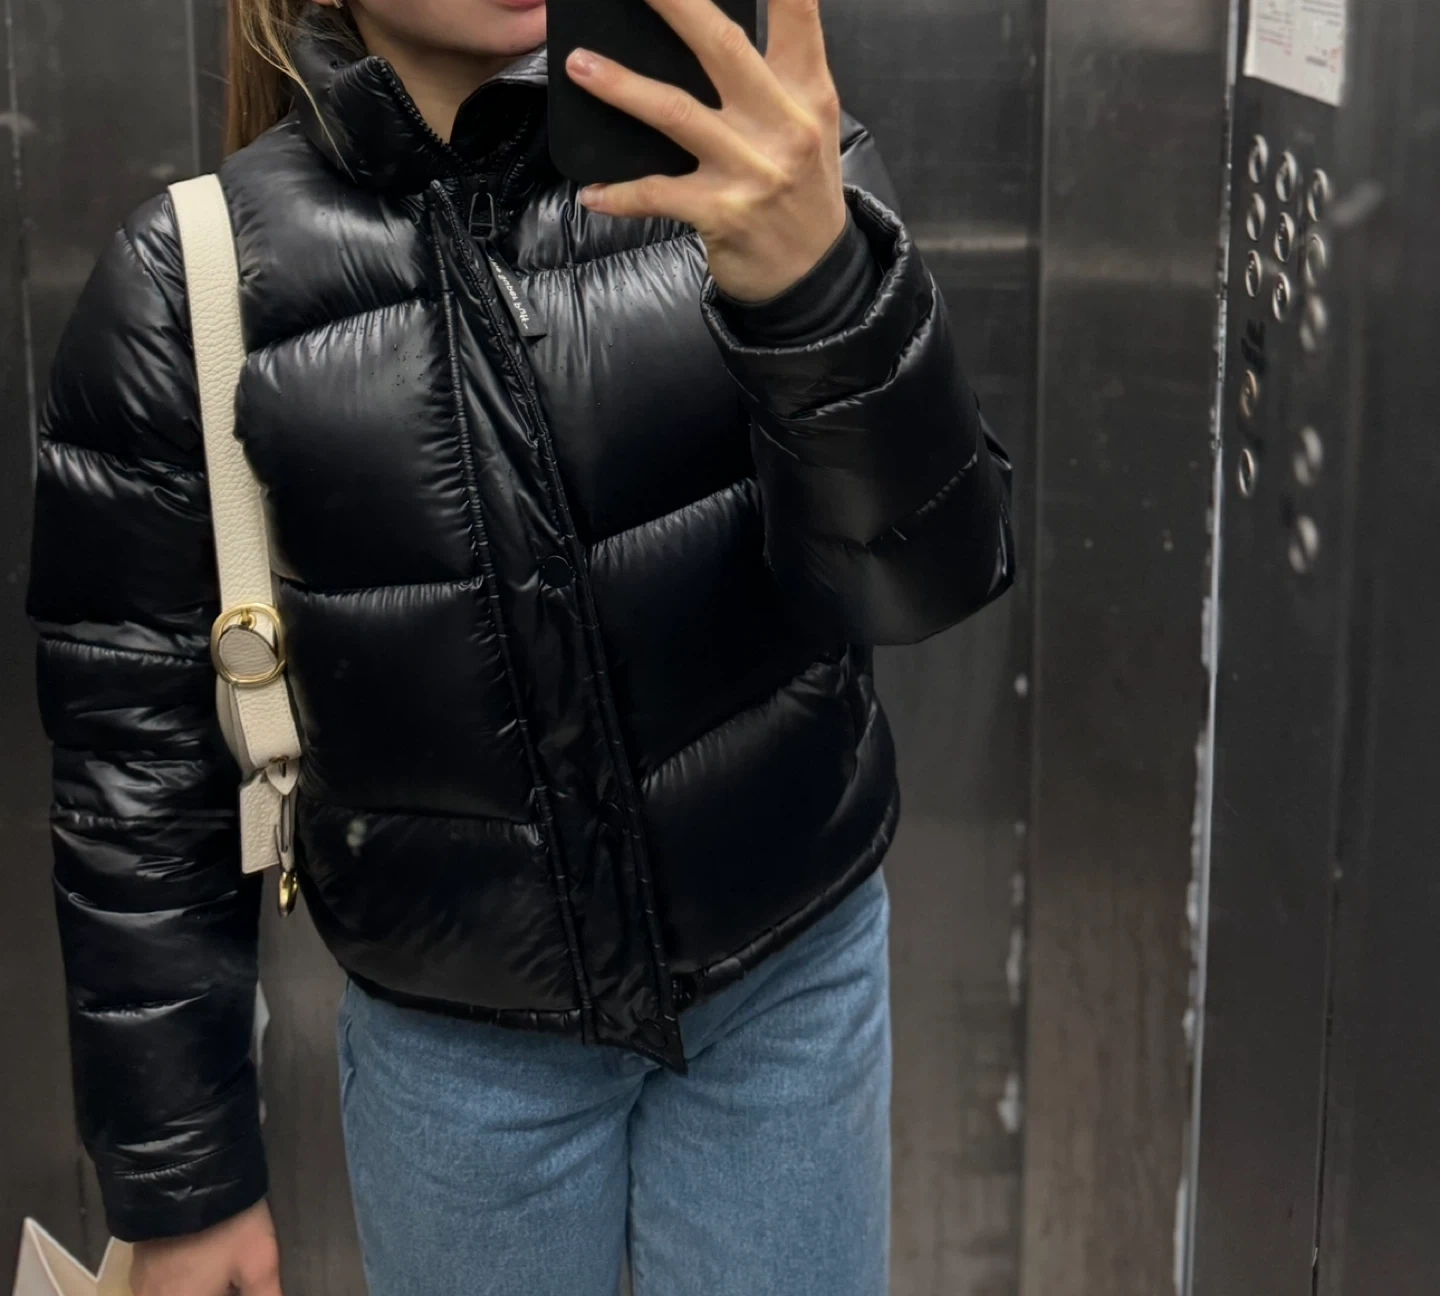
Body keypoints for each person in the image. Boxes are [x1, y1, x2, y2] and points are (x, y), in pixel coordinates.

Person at [26, 0, 1013, 1291]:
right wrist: (184, 1184)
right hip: (460, 1063)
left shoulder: (750, 157)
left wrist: (820, 290)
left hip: (792, 995)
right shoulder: (191, 282)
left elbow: (928, 579)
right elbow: (135, 777)